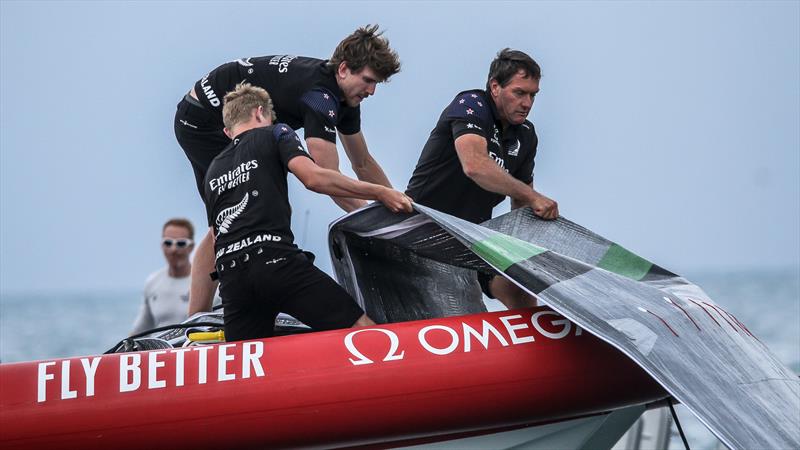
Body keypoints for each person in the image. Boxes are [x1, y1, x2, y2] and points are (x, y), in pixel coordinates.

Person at [175, 25, 401, 316]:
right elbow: (325, 179)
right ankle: (196, 320)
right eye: (368, 81)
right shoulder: (319, 97)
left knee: (231, 223)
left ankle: (206, 314)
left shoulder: (344, 96)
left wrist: (400, 207)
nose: (371, 91)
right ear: (344, 69)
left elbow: (362, 163)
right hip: (203, 121)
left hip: (226, 108)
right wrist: (379, 224)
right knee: (225, 225)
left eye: (376, 84)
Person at [203, 83, 412, 341]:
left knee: (249, 367)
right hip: (275, 263)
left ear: (227, 131)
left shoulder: (213, 168)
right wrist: (380, 192)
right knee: (364, 333)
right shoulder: (275, 132)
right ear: (259, 113)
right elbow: (314, 178)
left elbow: (216, 235)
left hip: (232, 279)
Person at [405, 48, 559, 310]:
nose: (527, 103)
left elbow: (521, 205)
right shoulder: (472, 105)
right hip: (423, 230)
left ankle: (539, 339)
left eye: (533, 95)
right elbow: (475, 165)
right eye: (519, 93)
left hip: (472, 238)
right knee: (455, 307)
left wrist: (526, 257)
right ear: (495, 87)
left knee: (520, 286)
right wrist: (534, 197)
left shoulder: (526, 135)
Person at [130, 218, 194, 335]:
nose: (173, 249)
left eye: (181, 243)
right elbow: (140, 331)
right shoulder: (153, 282)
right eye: (168, 243)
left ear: (191, 247)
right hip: (162, 350)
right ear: (161, 245)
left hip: (192, 350)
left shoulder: (205, 282)